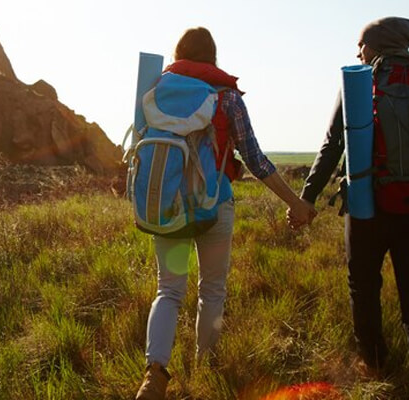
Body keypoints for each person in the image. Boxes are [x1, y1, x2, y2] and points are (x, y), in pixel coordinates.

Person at [135, 27, 317, 400]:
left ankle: (155, 373)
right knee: (211, 290)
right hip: (214, 208)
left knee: (168, 290)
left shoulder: (155, 91)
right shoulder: (227, 97)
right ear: (212, 58)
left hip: (166, 207)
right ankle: (207, 365)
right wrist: (293, 201)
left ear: (179, 54)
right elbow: (255, 159)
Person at [296, 17, 409, 400]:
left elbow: (332, 145)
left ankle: (374, 362)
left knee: (364, 286)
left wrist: (307, 198)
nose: (357, 52)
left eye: (360, 45)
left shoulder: (360, 82)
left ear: (374, 47)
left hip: (368, 208)